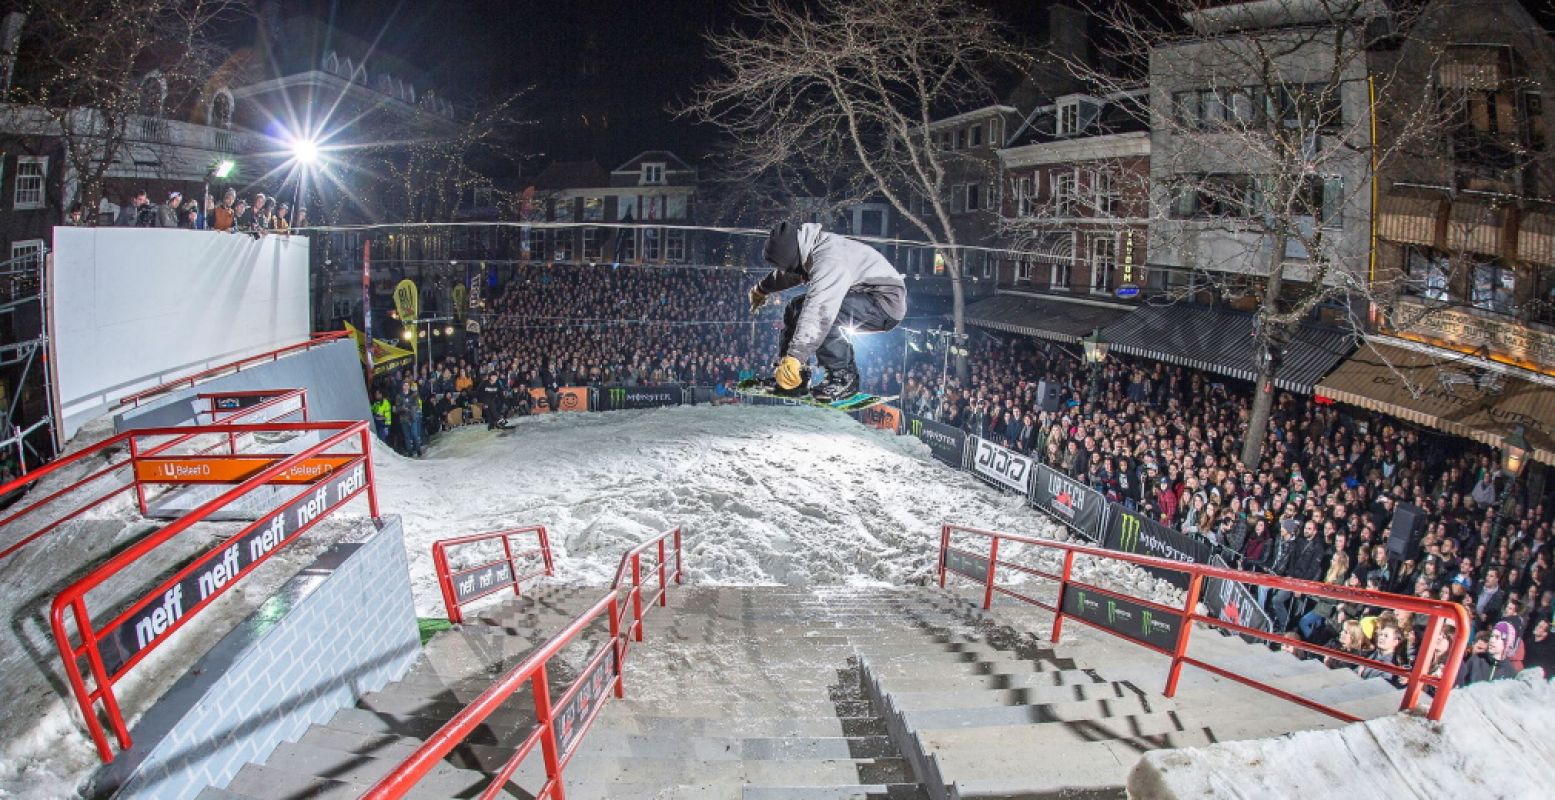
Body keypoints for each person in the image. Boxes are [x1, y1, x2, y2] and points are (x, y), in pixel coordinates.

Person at [747, 221, 906, 401]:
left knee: (825, 317)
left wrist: (796, 356)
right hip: (863, 293)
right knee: (795, 308)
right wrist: (762, 289)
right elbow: (789, 273)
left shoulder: (829, 261)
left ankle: (844, 377)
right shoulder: (809, 247)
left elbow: (819, 311)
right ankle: (794, 379)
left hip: (884, 302)